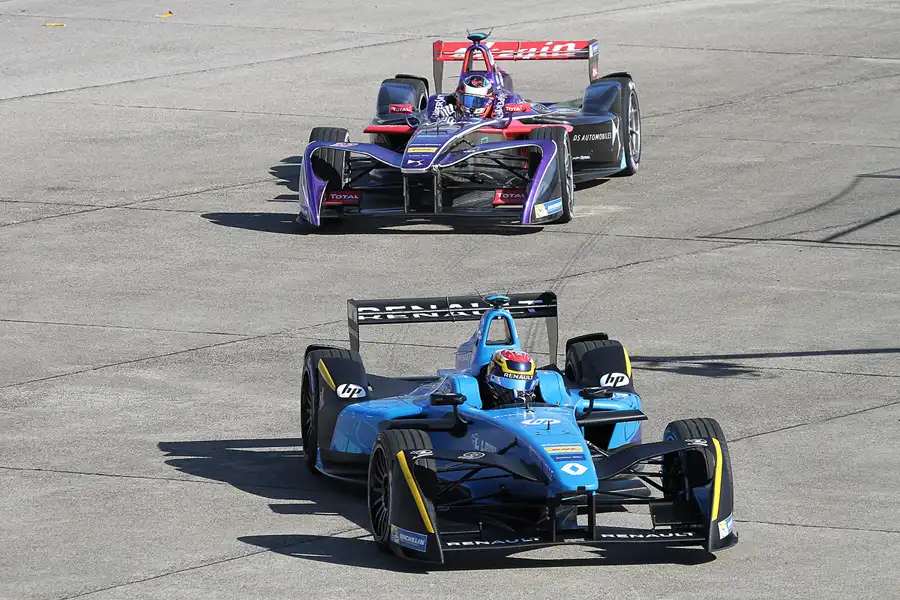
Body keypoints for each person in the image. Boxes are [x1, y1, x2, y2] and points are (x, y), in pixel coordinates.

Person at [432, 74, 497, 121]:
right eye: (467, 100)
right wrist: (442, 118)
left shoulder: (497, 110)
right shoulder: (453, 109)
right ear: (458, 98)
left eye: (478, 101)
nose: (472, 107)